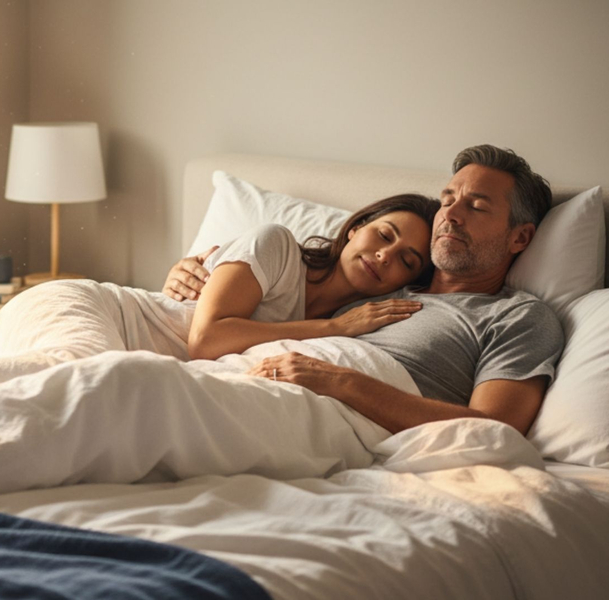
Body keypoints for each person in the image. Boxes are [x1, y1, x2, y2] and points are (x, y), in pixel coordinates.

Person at [0, 194, 438, 435]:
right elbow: (207, 341)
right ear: (354, 229)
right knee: (80, 371)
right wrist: (329, 330)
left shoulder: (374, 317)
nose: (386, 257)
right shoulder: (275, 245)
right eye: (383, 235)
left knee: (61, 396)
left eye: (407, 259)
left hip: (110, 331)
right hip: (87, 306)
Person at [166, 144, 563, 436]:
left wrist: (338, 381)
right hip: (241, 374)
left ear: (520, 237)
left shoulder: (519, 317)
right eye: (448, 200)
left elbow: (495, 431)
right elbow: (274, 301)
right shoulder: (378, 285)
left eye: (476, 207)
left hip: (315, 412)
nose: (451, 216)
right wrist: (194, 273)